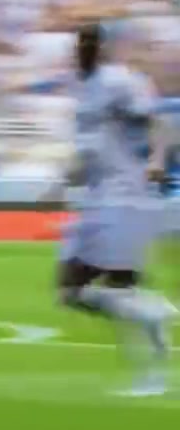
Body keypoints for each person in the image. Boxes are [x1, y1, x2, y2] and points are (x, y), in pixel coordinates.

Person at [55, 22, 175, 396]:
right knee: (71, 292)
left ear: (102, 48)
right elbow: (89, 147)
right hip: (96, 199)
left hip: (125, 197)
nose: (81, 51)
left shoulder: (120, 82)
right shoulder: (83, 90)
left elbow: (156, 122)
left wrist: (156, 159)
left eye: (89, 44)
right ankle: (152, 313)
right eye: (79, 45)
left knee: (117, 290)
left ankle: (151, 376)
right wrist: (62, 180)